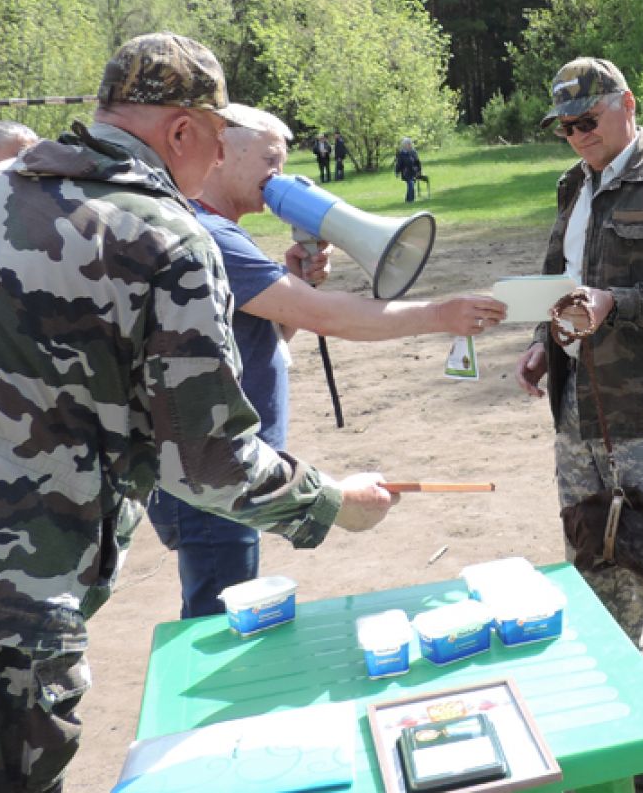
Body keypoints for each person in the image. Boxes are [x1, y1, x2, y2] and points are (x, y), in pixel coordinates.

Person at [0, 33, 399, 793]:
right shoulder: (167, 236)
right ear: (182, 131)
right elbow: (207, 459)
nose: (217, 164)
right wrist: (330, 502)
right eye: (216, 142)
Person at [147, 104, 506, 620]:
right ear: (223, 152)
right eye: (271, 159)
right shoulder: (212, 235)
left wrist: (293, 281)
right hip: (214, 475)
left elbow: (271, 335)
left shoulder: (217, 230)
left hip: (222, 468)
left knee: (223, 606)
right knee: (219, 620)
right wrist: (440, 314)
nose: (282, 175)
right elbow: (330, 317)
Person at [514, 57, 643, 774]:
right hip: (579, 423)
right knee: (593, 580)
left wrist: (616, 304)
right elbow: (557, 286)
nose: (575, 136)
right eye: (564, 126)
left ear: (627, 105)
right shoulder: (574, 185)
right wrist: (544, 345)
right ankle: (612, 732)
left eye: (586, 120)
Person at [394, 136, 422, 203]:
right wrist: (397, 172)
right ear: (404, 145)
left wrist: (419, 171)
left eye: (410, 144)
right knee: (411, 184)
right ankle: (411, 200)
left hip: (413, 171)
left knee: (411, 185)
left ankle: (408, 200)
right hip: (406, 172)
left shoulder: (413, 152)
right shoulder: (401, 154)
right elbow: (399, 164)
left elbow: (417, 162)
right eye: (408, 144)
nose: (410, 145)